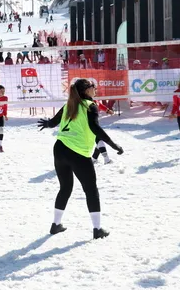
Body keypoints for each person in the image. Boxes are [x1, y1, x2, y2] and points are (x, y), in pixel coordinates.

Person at [37, 79, 124, 239]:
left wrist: (47, 124)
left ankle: (56, 225)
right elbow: (95, 128)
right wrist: (114, 145)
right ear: (86, 90)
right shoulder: (90, 106)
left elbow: (54, 122)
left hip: (60, 148)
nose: (95, 89)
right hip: (77, 152)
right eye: (93, 87)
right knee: (91, 190)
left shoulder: (69, 104)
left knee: (65, 188)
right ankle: (97, 229)